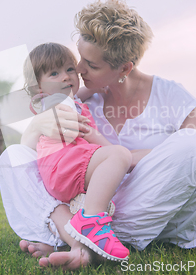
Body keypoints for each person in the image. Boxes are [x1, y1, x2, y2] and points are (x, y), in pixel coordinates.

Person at [0, 0, 196, 270]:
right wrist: (36, 126)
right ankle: (82, 235)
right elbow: (36, 159)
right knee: (12, 156)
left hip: (153, 206)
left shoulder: (171, 95)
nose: (77, 70)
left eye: (91, 65)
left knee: (195, 144)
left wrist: (140, 158)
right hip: (97, 210)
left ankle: (64, 233)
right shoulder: (80, 98)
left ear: (124, 68)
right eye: (79, 59)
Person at [23, 42, 132, 261]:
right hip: (63, 164)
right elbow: (84, 130)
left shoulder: (71, 101)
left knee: (97, 190)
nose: (65, 77)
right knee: (120, 155)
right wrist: (114, 152)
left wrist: (93, 87)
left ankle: (64, 244)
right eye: (54, 73)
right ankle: (91, 221)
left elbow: (76, 93)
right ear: (38, 88)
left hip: (64, 171)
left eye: (69, 69)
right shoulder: (56, 104)